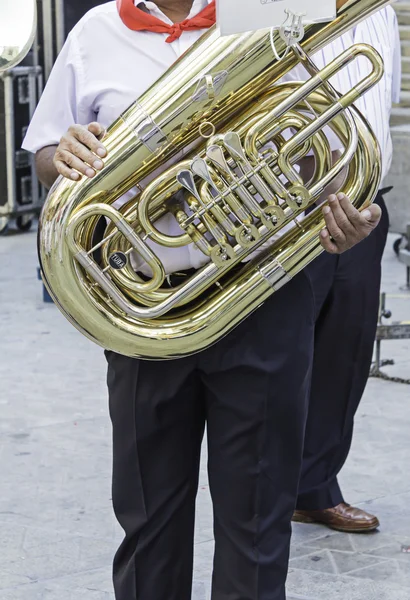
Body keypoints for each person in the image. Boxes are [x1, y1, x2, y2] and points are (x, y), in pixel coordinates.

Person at [22, 1, 382, 598]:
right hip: (143, 310)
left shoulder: (267, 13)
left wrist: (340, 203)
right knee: (148, 523)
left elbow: (315, 134)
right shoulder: (96, 31)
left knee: (259, 526)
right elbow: (44, 150)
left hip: (263, 295)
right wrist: (60, 157)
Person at [289, 5, 402, 533]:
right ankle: (262, 488)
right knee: (279, 355)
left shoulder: (378, 12)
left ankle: (316, 488)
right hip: (288, 213)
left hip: (364, 208)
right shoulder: (264, 7)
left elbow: (385, 101)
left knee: (345, 353)